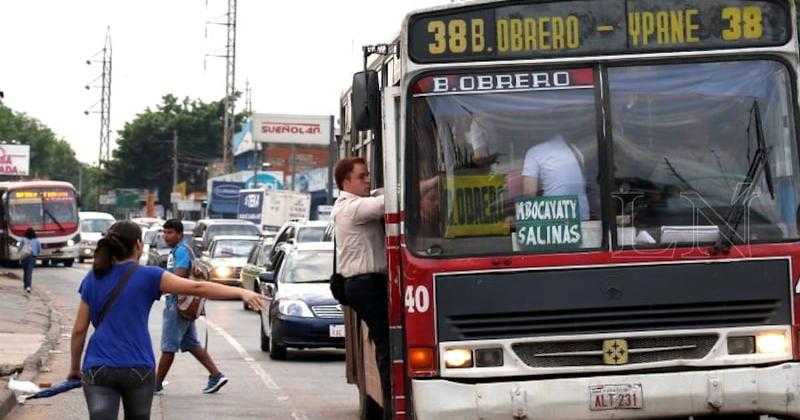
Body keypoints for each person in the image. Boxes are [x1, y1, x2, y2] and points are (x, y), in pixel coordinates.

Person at [68, 221, 265, 420]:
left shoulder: (93, 277)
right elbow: (197, 288)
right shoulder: (149, 276)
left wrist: (75, 369)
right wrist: (241, 292)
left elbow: (79, 330)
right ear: (138, 245)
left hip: (98, 367)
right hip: (138, 366)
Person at [331, 157, 391, 416]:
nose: (367, 181)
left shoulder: (353, 204)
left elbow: (379, 194)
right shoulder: (351, 208)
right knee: (387, 342)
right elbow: (388, 201)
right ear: (346, 182)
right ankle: (392, 404)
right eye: (362, 177)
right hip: (365, 284)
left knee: (385, 340)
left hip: (365, 284)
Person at [155, 219, 227, 395]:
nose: (166, 236)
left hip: (178, 304)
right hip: (183, 304)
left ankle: (155, 385)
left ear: (179, 234)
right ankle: (216, 375)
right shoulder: (178, 250)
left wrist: (160, 285)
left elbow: (178, 278)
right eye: (164, 232)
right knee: (191, 344)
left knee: (168, 346)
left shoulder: (181, 251)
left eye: (170, 232)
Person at [522, 133, 590, 220]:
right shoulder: (576, 150)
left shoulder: (534, 152)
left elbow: (529, 194)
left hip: (555, 219)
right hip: (582, 217)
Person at [20, 227, 41, 294]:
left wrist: (19, 254)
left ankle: (25, 286)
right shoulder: (37, 240)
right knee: (29, 272)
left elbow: (20, 248)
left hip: (24, 257)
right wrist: (36, 254)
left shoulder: (23, 239)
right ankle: (28, 286)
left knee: (25, 272)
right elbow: (39, 250)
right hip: (32, 257)